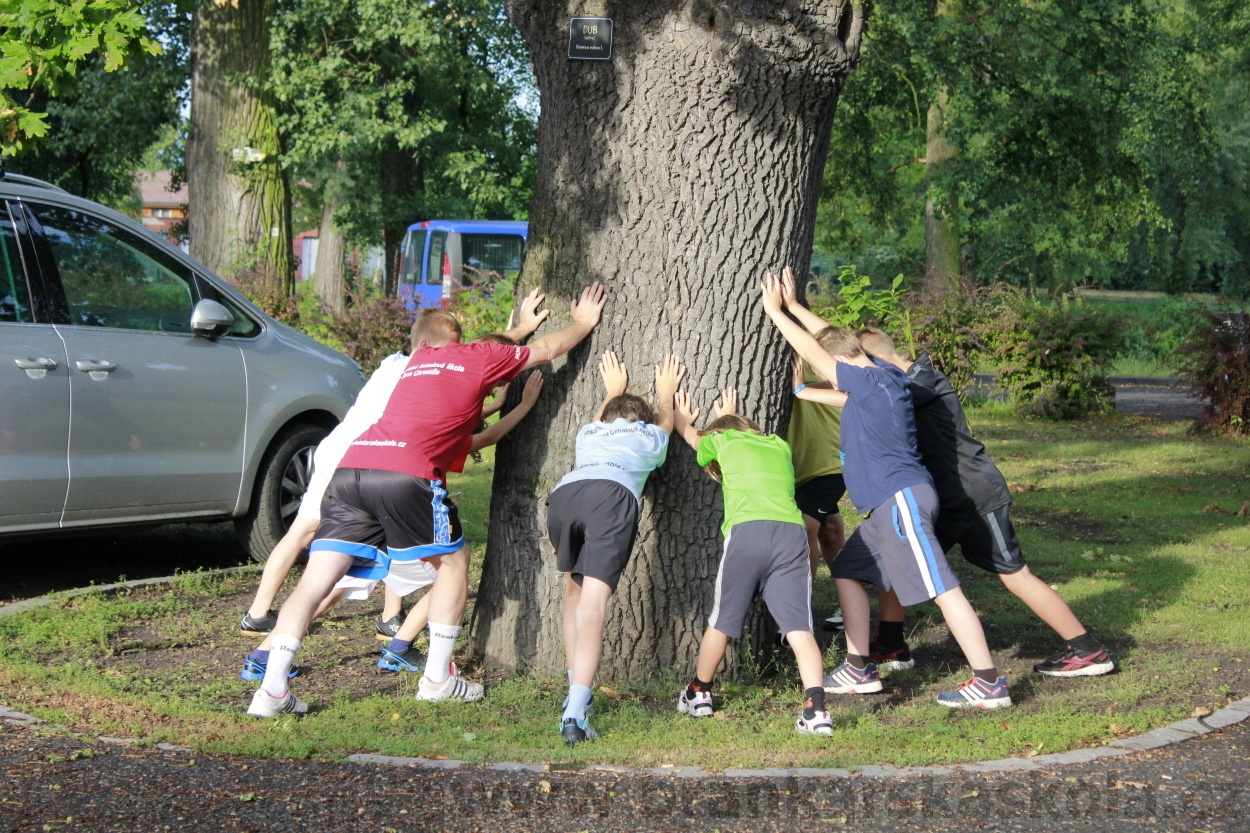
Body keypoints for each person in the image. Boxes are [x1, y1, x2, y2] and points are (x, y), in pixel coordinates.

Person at [246, 282, 606, 717]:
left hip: (350, 471)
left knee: (315, 581)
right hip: (405, 474)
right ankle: (437, 678)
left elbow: (473, 383)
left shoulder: (413, 364)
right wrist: (582, 322)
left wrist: (515, 331)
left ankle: (271, 690)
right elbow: (546, 349)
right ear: (461, 343)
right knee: (453, 562)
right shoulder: (474, 357)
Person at [238, 289, 553, 640]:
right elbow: (473, 358)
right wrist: (517, 351)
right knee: (342, 564)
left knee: (346, 549)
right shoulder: (426, 368)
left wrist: (517, 338)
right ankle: (276, 628)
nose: (455, 350)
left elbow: (473, 354)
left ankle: (269, 619)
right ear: (427, 346)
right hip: (369, 458)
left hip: (350, 456)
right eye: (451, 344)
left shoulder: (396, 361)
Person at [762, 270, 1012, 709]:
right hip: (885, 507)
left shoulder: (867, 381)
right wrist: (798, 308)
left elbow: (814, 348)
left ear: (840, 365)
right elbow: (831, 342)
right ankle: (860, 668)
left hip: (901, 500)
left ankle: (988, 681)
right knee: (847, 569)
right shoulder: (884, 378)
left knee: (942, 587)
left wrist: (776, 313)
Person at [855, 327, 1114, 678]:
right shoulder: (908, 380)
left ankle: (1088, 651)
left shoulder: (919, 382)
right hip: (939, 498)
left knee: (1015, 576)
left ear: (878, 361)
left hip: (975, 497)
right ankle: (891, 645)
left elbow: (863, 396)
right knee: (894, 561)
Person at [671, 386, 833, 735]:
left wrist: (678, 417)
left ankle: (699, 692)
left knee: (723, 620)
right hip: (792, 534)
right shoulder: (779, 444)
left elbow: (695, 439)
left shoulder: (722, 442)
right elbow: (744, 438)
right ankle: (816, 711)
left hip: (748, 532)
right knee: (799, 627)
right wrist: (732, 415)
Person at [548, 351, 682, 744]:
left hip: (566, 495)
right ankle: (575, 713)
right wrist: (667, 395)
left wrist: (611, 392)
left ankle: (575, 691)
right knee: (594, 605)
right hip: (612, 497)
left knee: (574, 592)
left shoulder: (589, 433)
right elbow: (667, 422)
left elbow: (598, 417)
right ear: (644, 420)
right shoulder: (650, 434)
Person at [787, 344, 847, 630]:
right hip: (800, 467)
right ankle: (850, 603)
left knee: (804, 528)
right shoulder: (787, 354)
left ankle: (801, 611)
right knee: (830, 531)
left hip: (830, 463)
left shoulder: (820, 353)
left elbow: (846, 381)